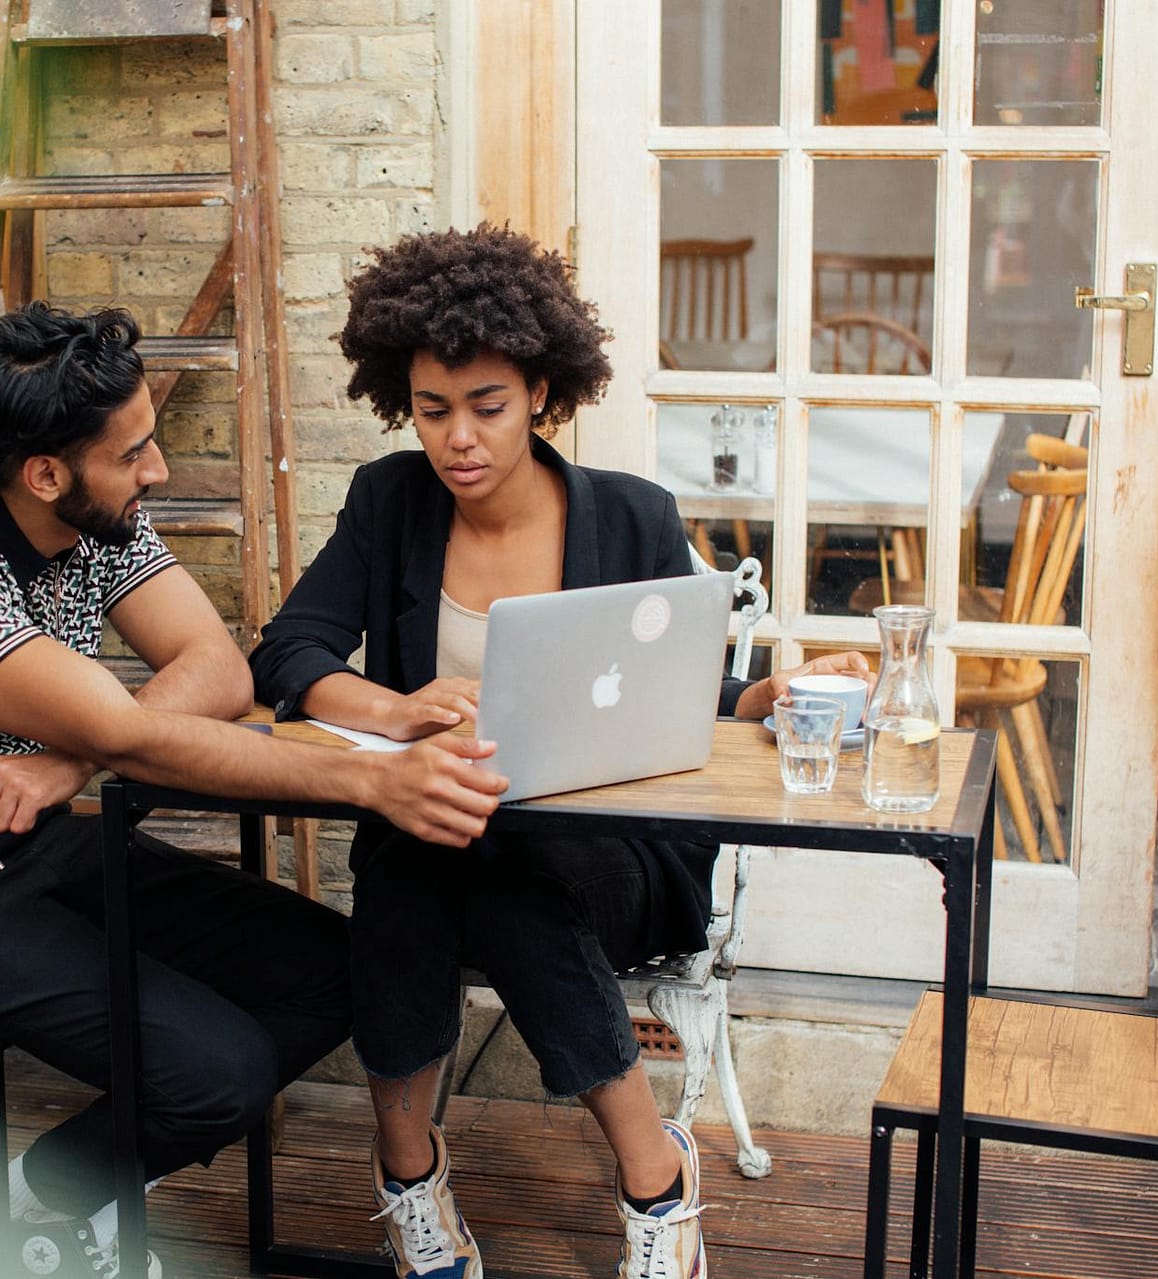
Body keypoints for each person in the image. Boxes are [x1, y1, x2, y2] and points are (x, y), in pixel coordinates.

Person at [0, 302, 509, 1279]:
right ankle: (21, 1209)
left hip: (34, 839)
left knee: (337, 970)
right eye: (133, 452)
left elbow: (217, 664)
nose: (158, 469)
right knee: (217, 1073)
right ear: (44, 472)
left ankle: (41, 1198)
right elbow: (136, 731)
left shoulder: (92, 509)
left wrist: (74, 757)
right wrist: (375, 777)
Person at [249, 226, 870, 1279]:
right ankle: (420, 1176)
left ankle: (642, 1175)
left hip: (611, 857)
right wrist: (398, 712)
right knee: (418, 856)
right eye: (432, 409)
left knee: (491, 868)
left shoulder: (631, 516)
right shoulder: (389, 502)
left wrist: (758, 694)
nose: (457, 440)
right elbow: (289, 651)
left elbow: (681, 696)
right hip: (446, 830)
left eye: (485, 406)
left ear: (541, 389)